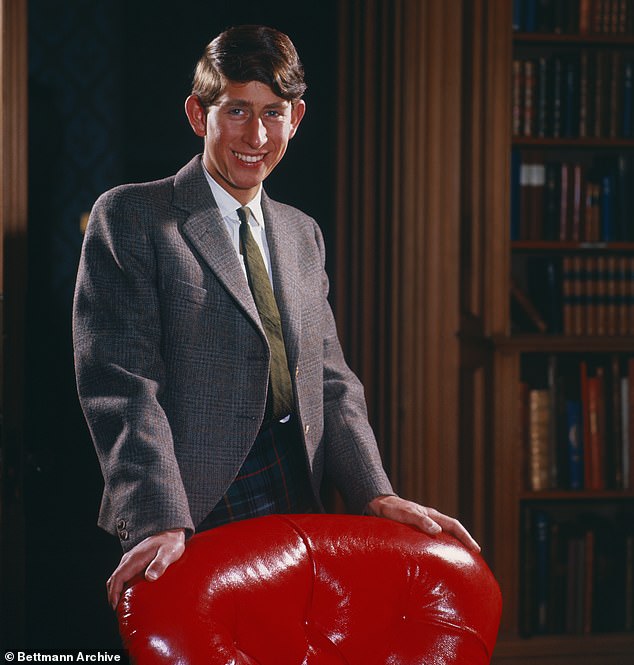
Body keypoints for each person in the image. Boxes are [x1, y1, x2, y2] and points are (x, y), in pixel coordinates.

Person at [72, 24, 479, 611]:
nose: (256, 134)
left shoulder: (301, 233)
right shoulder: (132, 215)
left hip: (299, 487)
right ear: (197, 113)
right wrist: (160, 518)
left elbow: (332, 383)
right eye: (236, 110)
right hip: (192, 503)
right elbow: (121, 386)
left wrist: (375, 492)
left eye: (273, 112)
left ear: (296, 119)